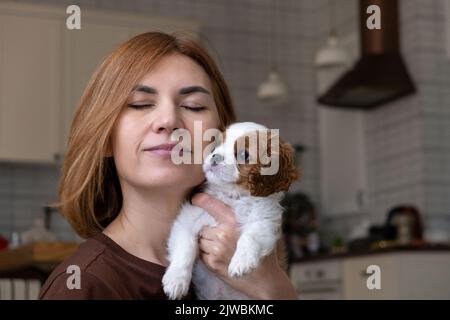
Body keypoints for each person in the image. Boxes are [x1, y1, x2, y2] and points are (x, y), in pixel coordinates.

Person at [39, 32, 297, 300]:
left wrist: (274, 289)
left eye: (193, 106)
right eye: (140, 104)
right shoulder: (85, 286)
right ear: (105, 139)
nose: (168, 120)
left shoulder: (263, 265)